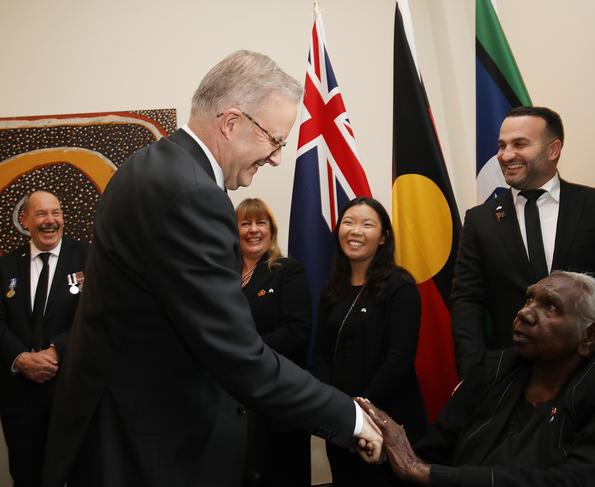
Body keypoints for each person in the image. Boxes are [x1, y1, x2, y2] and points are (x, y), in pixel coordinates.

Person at [41, 50, 381, 487]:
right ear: (232, 122)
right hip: (147, 449)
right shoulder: (193, 195)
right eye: (275, 141)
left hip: (120, 431)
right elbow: (237, 353)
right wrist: (349, 417)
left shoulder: (150, 164)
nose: (278, 158)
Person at [359, 271, 595, 486]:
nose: (525, 313)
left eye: (550, 306)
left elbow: (574, 482)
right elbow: (431, 456)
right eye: (529, 299)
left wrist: (424, 472)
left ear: (590, 336)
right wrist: (387, 450)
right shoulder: (493, 370)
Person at [452, 106, 595, 377]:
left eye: (519, 144)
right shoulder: (480, 220)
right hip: (509, 378)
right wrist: (475, 370)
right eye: (502, 145)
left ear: (553, 149)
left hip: (591, 371)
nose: (506, 155)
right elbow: (467, 300)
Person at [312, 196, 427, 487]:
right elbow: (321, 354)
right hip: (341, 421)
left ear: (383, 237)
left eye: (367, 224)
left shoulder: (400, 286)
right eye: (348, 223)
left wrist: (361, 409)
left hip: (388, 417)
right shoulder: (333, 288)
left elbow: (398, 361)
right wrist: (336, 407)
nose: (355, 231)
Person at [0, 190, 89, 487]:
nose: (51, 221)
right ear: (24, 220)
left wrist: (56, 350)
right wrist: (21, 358)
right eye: (41, 214)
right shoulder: (6, 266)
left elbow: (96, 315)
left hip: (71, 394)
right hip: (20, 401)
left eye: (56, 212)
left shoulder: (88, 258)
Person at [236, 197, 311, 487]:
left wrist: (245, 353)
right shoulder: (223, 276)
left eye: (260, 222)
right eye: (245, 223)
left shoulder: (287, 271)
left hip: (280, 398)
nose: (253, 230)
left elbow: (296, 331)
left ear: (271, 230)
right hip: (237, 400)